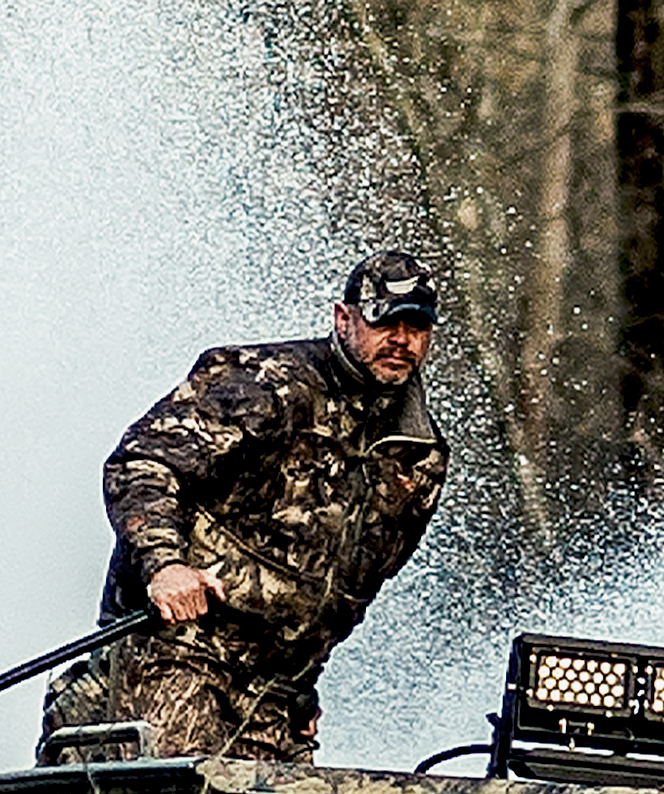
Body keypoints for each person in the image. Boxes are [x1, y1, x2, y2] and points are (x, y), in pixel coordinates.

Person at [41, 250, 447, 764]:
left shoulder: (419, 455)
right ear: (344, 320)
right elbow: (142, 463)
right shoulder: (271, 384)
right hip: (178, 653)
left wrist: (304, 683)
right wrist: (166, 565)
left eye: (417, 327)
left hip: (275, 696)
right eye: (385, 322)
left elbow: (349, 588)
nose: (402, 340)